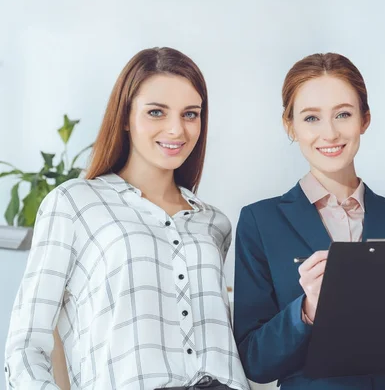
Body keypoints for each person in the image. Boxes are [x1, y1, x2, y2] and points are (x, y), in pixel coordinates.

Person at [4, 47, 249, 390]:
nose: (176, 129)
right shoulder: (74, 203)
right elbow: (26, 345)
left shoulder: (214, 223)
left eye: (190, 114)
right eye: (156, 112)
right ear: (124, 116)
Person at [233, 52, 385, 390]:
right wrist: (308, 310)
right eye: (311, 118)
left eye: (343, 114)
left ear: (364, 120)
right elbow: (255, 362)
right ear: (290, 126)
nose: (329, 133)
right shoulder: (260, 222)